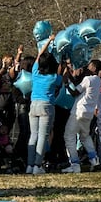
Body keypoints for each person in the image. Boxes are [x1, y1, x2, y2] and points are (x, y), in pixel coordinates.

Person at [27, 35, 62, 175]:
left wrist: (48, 40)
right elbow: (60, 74)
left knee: (33, 136)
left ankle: (29, 165)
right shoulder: (54, 78)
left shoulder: (35, 72)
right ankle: (37, 165)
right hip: (46, 106)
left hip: (33, 105)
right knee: (43, 136)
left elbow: (39, 55)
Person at [61, 60, 101, 173]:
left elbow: (75, 92)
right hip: (89, 112)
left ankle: (74, 164)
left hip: (79, 111)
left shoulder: (88, 79)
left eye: (89, 66)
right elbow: (78, 86)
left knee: (69, 136)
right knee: (85, 136)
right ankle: (94, 160)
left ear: (94, 67)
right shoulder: (98, 81)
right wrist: (69, 74)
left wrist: (66, 84)